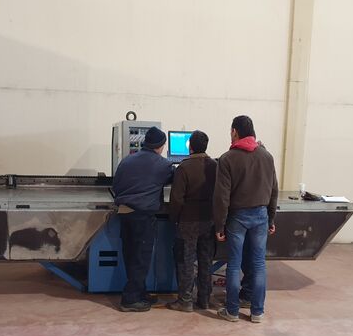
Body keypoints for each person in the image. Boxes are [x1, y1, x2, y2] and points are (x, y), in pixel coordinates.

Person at [213, 115, 278, 323]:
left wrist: (220, 225)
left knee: (234, 264)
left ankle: (232, 311)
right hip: (260, 216)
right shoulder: (267, 156)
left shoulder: (227, 158)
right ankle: (257, 312)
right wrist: (271, 218)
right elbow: (273, 190)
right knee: (258, 264)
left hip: (237, 217)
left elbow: (222, 196)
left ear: (235, 132)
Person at [112, 126, 174, 312]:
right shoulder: (163, 165)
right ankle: (130, 299)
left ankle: (139, 292)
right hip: (143, 216)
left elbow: (116, 185)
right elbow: (176, 179)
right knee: (141, 258)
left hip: (124, 213)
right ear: (161, 146)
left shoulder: (126, 160)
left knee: (131, 254)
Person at [166, 130, 217, 312]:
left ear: (191, 147)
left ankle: (185, 301)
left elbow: (177, 198)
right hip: (209, 220)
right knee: (206, 260)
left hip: (188, 222)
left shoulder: (184, 168)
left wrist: (174, 218)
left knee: (186, 261)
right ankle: (204, 299)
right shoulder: (215, 166)